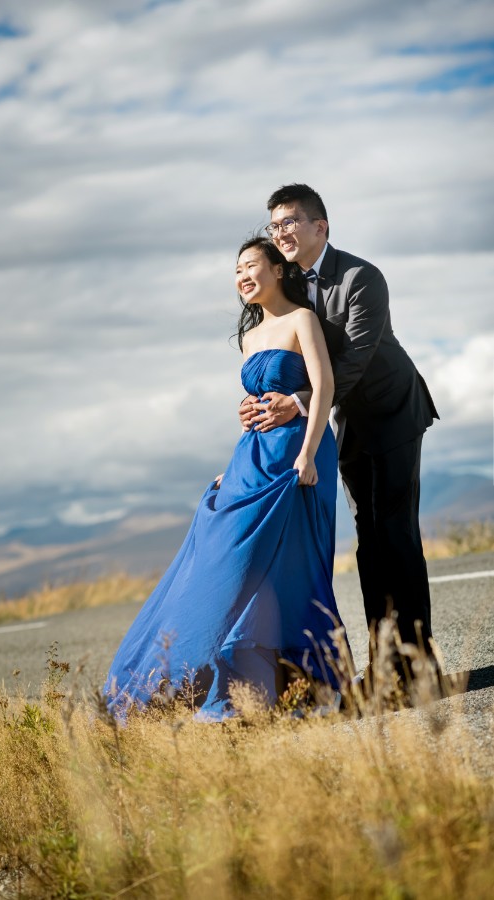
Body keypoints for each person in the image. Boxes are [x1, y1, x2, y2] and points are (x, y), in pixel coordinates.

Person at [104, 237, 348, 721]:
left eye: (251, 266)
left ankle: (314, 683)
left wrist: (307, 454)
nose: (242, 277)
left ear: (278, 270)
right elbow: (256, 406)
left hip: (298, 454)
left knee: (293, 565)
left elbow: (324, 387)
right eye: (236, 271)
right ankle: (244, 685)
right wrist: (235, 457)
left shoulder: (302, 320)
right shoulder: (249, 337)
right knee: (237, 565)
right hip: (254, 456)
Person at [240, 184, 438, 682]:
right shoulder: (293, 285)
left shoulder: (361, 277)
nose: (280, 233)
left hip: (394, 412)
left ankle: (421, 668)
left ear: (319, 227)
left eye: (289, 222)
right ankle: (385, 667)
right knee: (369, 543)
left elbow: (352, 359)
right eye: (274, 225)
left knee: (395, 535)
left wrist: (300, 402)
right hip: (347, 422)